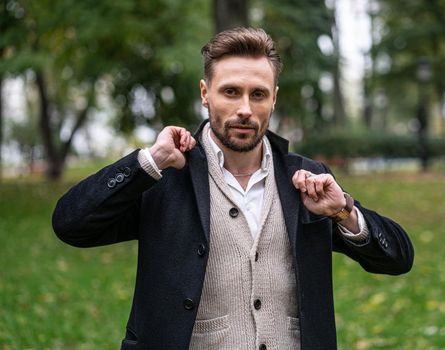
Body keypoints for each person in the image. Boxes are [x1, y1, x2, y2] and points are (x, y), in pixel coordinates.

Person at [52, 27, 414, 350]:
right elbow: (72, 224)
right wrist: (148, 162)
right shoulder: (165, 176)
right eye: (231, 92)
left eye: (257, 94)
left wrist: (343, 212)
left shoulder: (307, 179)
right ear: (205, 94)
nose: (245, 109)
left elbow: (398, 258)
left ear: (273, 97)